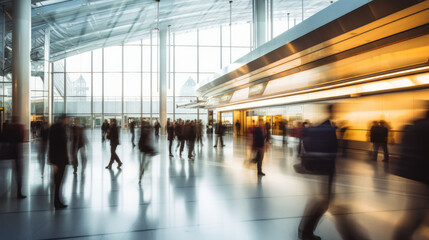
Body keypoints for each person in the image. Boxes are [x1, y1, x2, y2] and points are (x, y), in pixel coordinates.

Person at [298, 104, 337, 240]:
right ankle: (306, 231)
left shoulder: (323, 127)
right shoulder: (329, 128)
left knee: (320, 201)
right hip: (327, 169)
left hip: (322, 169)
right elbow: (332, 150)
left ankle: (305, 230)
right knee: (322, 202)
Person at [1, 117, 26, 199]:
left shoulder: (7, 129)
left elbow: (2, 139)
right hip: (16, 152)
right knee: (19, 173)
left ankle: (19, 192)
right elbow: (21, 139)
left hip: (7, 153)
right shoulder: (17, 129)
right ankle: (19, 192)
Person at [49, 115, 69, 209]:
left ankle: (57, 201)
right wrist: (53, 162)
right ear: (63, 119)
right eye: (67, 119)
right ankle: (56, 202)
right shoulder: (57, 129)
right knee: (58, 181)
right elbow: (53, 146)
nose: (68, 121)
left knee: (58, 182)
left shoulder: (60, 128)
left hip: (61, 159)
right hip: (58, 160)